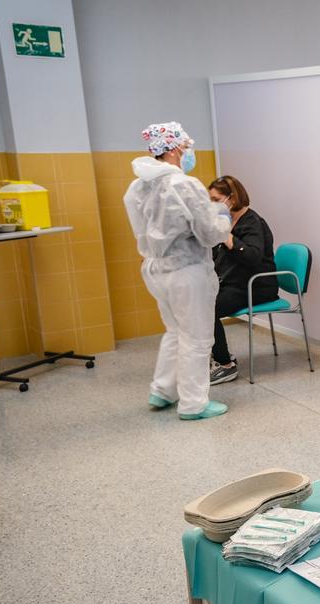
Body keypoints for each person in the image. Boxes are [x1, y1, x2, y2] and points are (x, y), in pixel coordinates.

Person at [124, 122, 231, 420]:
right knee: (196, 338)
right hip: (186, 270)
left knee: (175, 331)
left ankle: (162, 391)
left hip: (155, 269)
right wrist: (222, 215)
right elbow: (209, 234)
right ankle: (194, 404)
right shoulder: (184, 184)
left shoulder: (137, 187)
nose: (188, 153)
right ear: (172, 150)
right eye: (185, 147)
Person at [205, 176, 276, 386]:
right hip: (235, 284)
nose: (212, 204)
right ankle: (219, 356)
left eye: (216, 199)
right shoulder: (227, 221)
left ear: (232, 198)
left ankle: (226, 366)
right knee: (199, 304)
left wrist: (228, 238)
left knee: (207, 310)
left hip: (257, 286)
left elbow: (252, 257)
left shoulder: (253, 222)